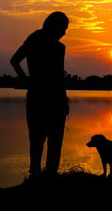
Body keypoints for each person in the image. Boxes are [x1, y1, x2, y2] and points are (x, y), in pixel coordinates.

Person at [10, 11, 69, 177]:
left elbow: (14, 61)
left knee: (41, 140)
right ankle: (42, 175)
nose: (64, 33)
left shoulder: (47, 43)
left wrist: (27, 81)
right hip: (45, 98)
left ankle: (41, 175)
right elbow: (14, 60)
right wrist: (27, 80)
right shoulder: (39, 41)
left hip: (46, 97)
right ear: (55, 26)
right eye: (63, 28)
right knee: (49, 140)